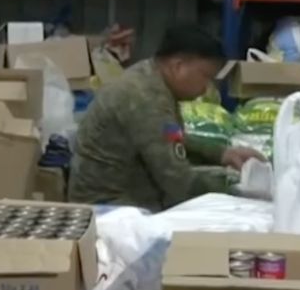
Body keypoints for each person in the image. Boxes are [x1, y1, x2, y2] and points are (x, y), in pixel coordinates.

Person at [68, 25, 264, 211]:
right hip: (108, 209)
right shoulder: (145, 98)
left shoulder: (151, 77)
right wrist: (239, 185)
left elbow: (169, 137)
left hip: (122, 196)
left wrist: (222, 154)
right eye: (206, 77)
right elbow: (178, 182)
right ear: (178, 66)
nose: (207, 88)